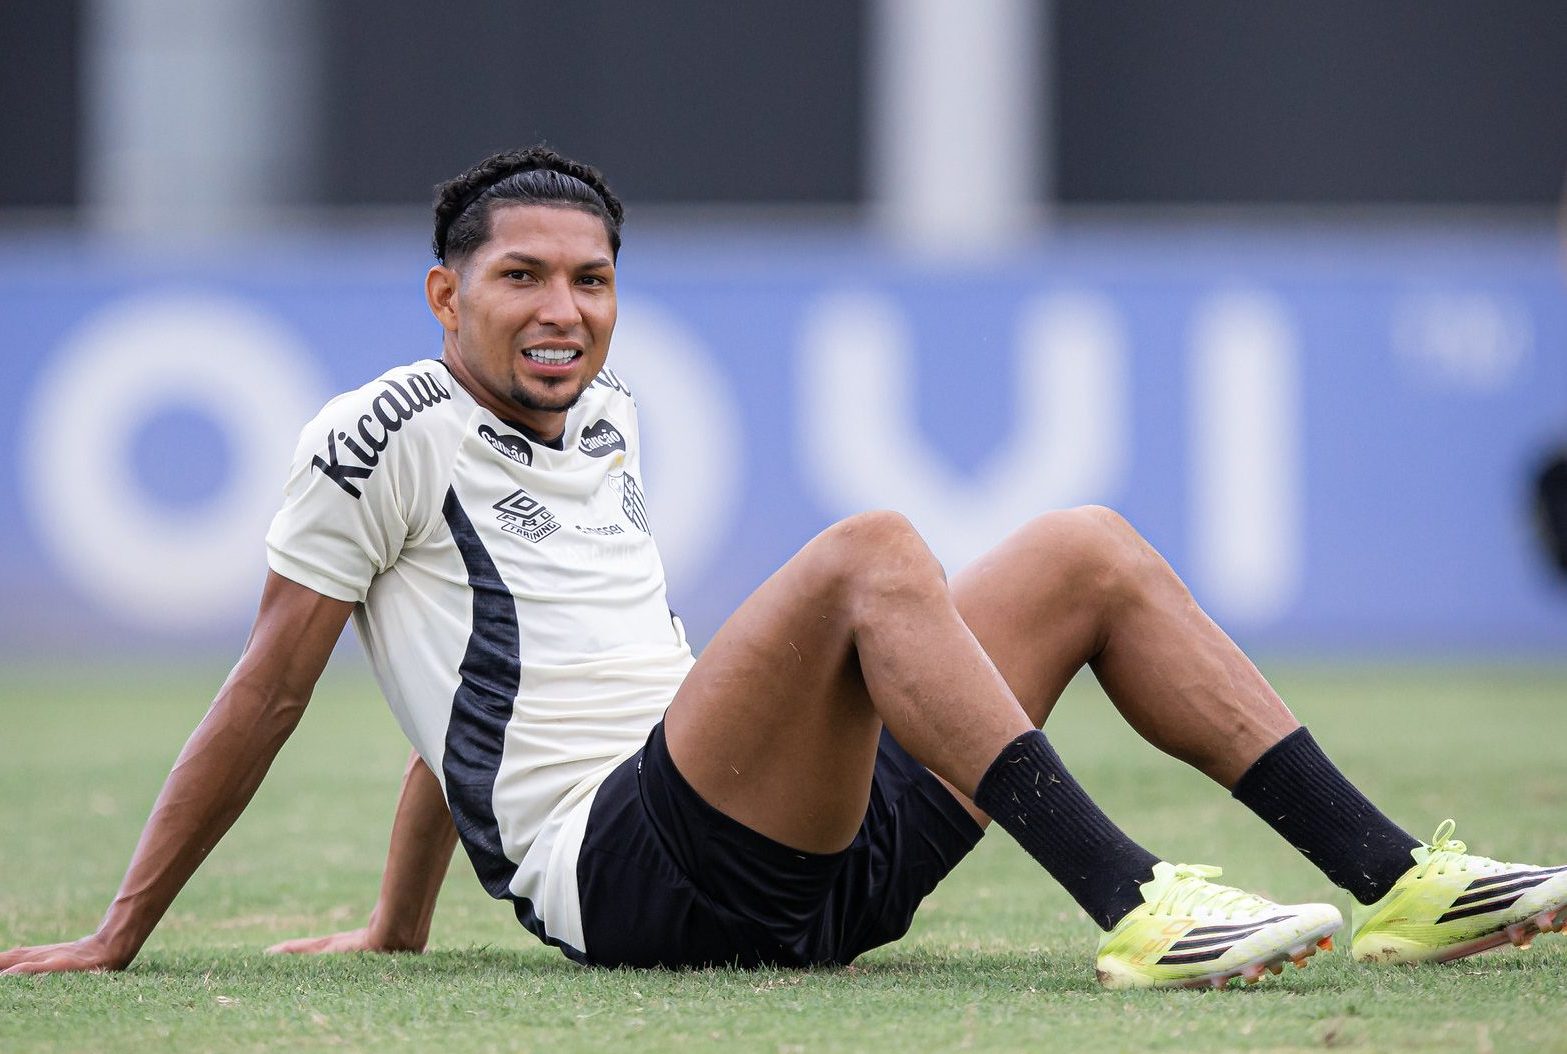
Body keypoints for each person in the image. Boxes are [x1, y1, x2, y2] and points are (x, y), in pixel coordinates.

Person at [4, 147, 1564, 990]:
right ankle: (1142, 903)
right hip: (639, 882)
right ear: (443, 292)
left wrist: (401, 925)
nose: (565, 308)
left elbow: (487, 692)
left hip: (776, 854)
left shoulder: (606, 421)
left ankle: (1404, 885)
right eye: (524, 277)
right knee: (875, 549)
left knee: (1083, 546)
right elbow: (273, 685)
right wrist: (122, 929)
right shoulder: (374, 432)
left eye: (594, 278)